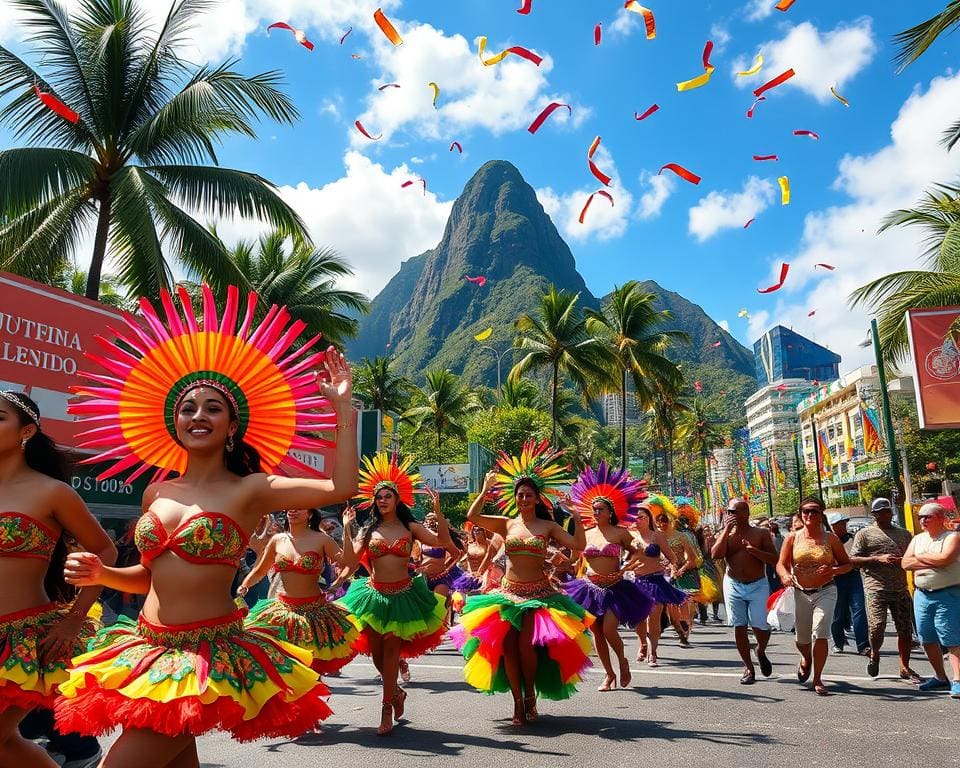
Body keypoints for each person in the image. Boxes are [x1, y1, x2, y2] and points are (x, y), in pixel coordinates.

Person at [54, 285, 359, 767]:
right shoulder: (157, 492)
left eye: (212, 408)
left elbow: (340, 487)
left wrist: (343, 411)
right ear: (173, 420)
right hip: (148, 648)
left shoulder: (251, 489)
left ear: (232, 425)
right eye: (188, 408)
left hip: (206, 655)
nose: (198, 415)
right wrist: (102, 575)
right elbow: (149, 578)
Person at [0, 391, 117, 768]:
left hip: (21, 638)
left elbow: (105, 552)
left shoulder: (52, 492)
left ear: (27, 431)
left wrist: (75, 618)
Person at [452, 441, 592, 726]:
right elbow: (472, 517)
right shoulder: (507, 524)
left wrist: (575, 514)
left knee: (526, 647)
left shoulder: (548, 527)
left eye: (528, 495)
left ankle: (530, 694)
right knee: (507, 648)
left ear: (537, 499)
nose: (524, 499)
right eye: (520, 495)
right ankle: (518, 701)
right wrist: (483, 490)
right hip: (507, 594)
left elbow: (578, 544)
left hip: (540, 595)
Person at [336, 453, 454, 735]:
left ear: (397, 499)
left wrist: (438, 513)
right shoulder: (368, 529)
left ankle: (386, 708)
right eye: (379, 497)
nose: (383, 500)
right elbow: (349, 563)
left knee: (391, 650)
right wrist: (346, 527)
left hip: (403, 596)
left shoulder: (410, 527)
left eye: (388, 496)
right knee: (377, 656)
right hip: (374, 596)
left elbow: (441, 541)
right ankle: (397, 692)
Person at [239, 508, 360, 682]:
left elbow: (348, 563)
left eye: (299, 507)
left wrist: (347, 529)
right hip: (281, 614)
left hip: (313, 616)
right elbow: (259, 571)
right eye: (290, 507)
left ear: (310, 513)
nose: (293, 510)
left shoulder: (322, 539)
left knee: (310, 675)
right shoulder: (277, 540)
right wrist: (244, 585)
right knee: (285, 673)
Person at [562, 462, 653, 690]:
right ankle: (609, 674)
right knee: (597, 633)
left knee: (609, 629)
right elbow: (573, 559)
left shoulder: (620, 533)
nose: (596, 513)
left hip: (615, 587)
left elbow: (638, 551)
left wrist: (626, 567)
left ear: (610, 512)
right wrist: (556, 561)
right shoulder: (587, 534)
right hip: (590, 588)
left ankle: (622, 662)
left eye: (600, 509)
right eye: (594, 509)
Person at [776, 497, 852, 696]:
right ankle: (805, 658)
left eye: (814, 511)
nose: (809, 515)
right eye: (805, 511)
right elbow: (781, 564)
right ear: (801, 514)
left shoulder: (830, 538)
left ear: (821, 515)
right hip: (801, 592)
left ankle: (817, 677)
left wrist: (833, 570)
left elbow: (848, 564)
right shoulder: (792, 538)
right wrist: (784, 576)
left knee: (820, 632)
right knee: (802, 640)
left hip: (826, 590)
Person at [711, 498, 779, 685]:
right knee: (739, 626)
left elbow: (774, 559)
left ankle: (760, 650)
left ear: (746, 513)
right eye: (729, 511)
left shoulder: (761, 533)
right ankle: (748, 667)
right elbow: (715, 554)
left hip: (758, 584)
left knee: (761, 625)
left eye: (736, 511)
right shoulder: (726, 534)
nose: (732, 515)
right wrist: (726, 530)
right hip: (733, 583)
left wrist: (756, 552)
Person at [848, 498, 917, 680]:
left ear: (891, 512)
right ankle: (875, 652)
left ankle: (904, 667)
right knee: (877, 627)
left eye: (886, 511)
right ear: (874, 514)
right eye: (879, 512)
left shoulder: (904, 534)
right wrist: (877, 559)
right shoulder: (865, 534)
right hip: (875, 587)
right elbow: (852, 560)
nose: (883, 514)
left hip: (900, 587)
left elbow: (912, 558)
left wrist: (904, 563)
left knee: (905, 629)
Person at [901, 502, 960, 696]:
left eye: (928, 516)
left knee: (951, 638)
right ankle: (940, 677)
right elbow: (905, 562)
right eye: (921, 517)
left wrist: (921, 558)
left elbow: (946, 559)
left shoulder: (952, 537)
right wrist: (932, 559)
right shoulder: (918, 539)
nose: (923, 520)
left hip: (947, 594)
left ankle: (957, 679)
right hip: (922, 594)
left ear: (941, 518)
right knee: (927, 638)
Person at [629, 503, 686, 667]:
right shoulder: (629, 536)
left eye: (641, 517)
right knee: (638, 619)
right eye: (635, 517)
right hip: (636, 581)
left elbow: (671, 556)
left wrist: (671, 566)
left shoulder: (657, 536)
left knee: (653, 616)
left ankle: (653, 652)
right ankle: (643, 644)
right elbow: (624, 560)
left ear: (648, 519)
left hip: (655, 581)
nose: (637, 520)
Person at [649, 495, 699, 647]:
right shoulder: (654, 537)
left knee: (683, 604)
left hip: (682, 575)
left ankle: (685, 630)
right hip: (662, 575)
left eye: (665, 521)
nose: (662, 524)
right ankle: (678, 630)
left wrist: (680, 570)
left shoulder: (681, 536)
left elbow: (692, 558)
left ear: (670, 521)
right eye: (659, 521)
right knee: (669, 607)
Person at [826, 512, 869, 657]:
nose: (843, 526)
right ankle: (838, 643)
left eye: (844, 523)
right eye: (839, 523)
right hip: (836, 579)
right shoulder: (828, 541)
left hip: (853, 576)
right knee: (837, 613)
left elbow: (858, 558)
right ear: (832, 526)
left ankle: (863, 645)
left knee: (859, 610)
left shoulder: (852, 539)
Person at [464, 524, 504, 592]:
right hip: (470, 575)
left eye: (478, 530)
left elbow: (490, 559)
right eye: (474, 530)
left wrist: (480, 573)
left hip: (484, 577)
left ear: (484, 531)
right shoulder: (469, 544)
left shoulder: (490, 544)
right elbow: (462, 558)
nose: (476, 532)